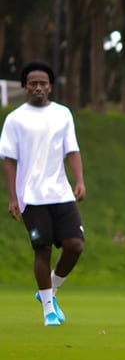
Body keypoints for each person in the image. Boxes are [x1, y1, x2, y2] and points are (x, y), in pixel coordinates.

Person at [0, 61, 86, 327]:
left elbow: (71, 150)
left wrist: (80, 180)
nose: (38, 87)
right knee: (42, 249)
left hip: (60, 193)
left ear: (50, 86)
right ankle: (49, 311)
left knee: (75, 245)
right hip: (31, 198)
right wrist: (13, 197)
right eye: (33, 83)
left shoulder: (63, 114)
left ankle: (49, 291)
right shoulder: (15, 119)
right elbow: (9, 160)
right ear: (25, 87)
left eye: (43, 83)